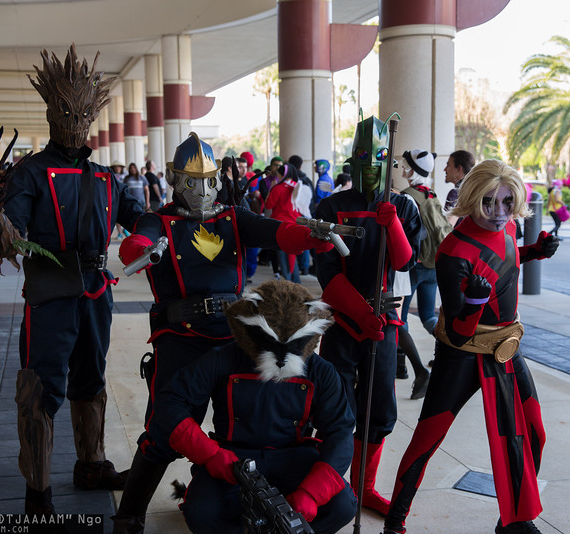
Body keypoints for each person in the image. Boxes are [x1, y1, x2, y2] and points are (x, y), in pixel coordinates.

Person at [112, 132, 334, 534]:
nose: (201, 189)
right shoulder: (160, 220)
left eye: (207, 180)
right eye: (191, 180)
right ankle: (129, 515)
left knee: (247, 417)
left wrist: (311, 236)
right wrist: (141, 248)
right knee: (164, 427)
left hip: (234, 336)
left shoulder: (232, 217)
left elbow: (277, 232)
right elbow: (137, 240)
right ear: (174, 178)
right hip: (180, 337)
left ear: (217, 179)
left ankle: (233, 490)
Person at [0, 45, 145, 516]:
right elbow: (9, 240)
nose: (75, 120)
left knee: (91, 378)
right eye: (67, 111)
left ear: (92, 117)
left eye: (82, 112)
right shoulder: (29, 172)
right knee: (40, 386)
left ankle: (91, 464)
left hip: (96, 291)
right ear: (52, 113)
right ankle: (38, 494)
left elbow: (143, 222)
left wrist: (189, 215)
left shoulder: (105, 177)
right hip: (50, 293)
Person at [382, 159, 559, 534]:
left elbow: (505, 257)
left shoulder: (508, 227)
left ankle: (514, 521)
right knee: (427, 440)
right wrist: (476, 302)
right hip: (461, 354)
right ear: (473, 198)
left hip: (506, 347)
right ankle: (394, 524)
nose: (498, 212)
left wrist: (535, 251)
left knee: (532, 431)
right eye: (488, 202)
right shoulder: (453, 251)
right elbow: (460, 331)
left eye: (507, 202)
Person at [149, 280, 357, 534]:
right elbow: (170, 401)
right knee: (201, 513)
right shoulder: (224, 358)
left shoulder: (320, 371)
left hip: (294, 456)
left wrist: (312, 493)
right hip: (232, 459)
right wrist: (210, 454)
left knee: (343, 505)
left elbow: (340, 432)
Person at [315, 115, 423, 516]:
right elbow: (327, 274)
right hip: (345, 321)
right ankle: (330, 486)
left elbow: (405, 262)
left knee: (379, 411)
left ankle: (364, 487)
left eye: (378, 158)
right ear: (353, 159)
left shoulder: (403, 206)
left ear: (389, 162)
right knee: (335, 407)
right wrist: (361, 313)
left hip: (385, 324)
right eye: (363, 157)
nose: (371, 166)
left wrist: (392, 223)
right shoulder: (331, 207)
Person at [398, 148, 452, 399]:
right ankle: (452, 353)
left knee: (399, 318)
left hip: (414, 265)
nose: (402, 169)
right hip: (433, 264)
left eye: (405, 166)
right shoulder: (430, 193)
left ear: (412, 170)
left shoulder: (407, 197)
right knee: (429, 316)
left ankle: (413, 370)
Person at [442, 150, 475, 225]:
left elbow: (447, 227)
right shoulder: (475, 190)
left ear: (459, 169)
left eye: (448, 165)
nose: (445, 169)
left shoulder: (455, 193)